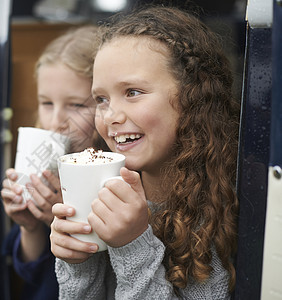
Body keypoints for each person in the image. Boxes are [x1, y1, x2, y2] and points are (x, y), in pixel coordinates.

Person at [50, 6, 240, 299]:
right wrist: (79, 263)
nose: (111, 115)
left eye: (132, 92)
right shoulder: (101, 194)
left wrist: (132, 245)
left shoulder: (224, 206)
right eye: (101, 98)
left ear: (191, 95)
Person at [1, 25, 106, 300]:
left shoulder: (121, 178)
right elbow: (31, 273)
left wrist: (67, 219)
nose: (56, 121)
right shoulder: (47, 169)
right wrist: (30, 225)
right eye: (46, 103)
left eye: (77, 105)